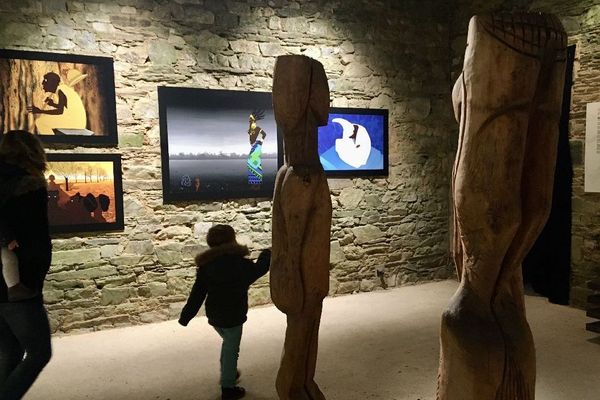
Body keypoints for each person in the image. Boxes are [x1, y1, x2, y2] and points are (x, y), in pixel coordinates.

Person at [179, 224, 271, 400]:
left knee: (227, 344)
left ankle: (229, 371)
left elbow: (197, 294)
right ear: (232, 240)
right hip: (234, 316)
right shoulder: (241, 264)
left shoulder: (206, 267)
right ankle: (228, 388)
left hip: (214, 316)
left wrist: (186, 316)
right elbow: (259, 269)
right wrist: (267, 254)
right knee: (231, 349)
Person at [0, 130, 53, 399]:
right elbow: (34, 236)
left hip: (7, 282)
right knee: (39, 352)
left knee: (9, 350)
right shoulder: (27, 186)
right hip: (19, 284)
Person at [26, 70, 87, 135]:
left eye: (45, 81)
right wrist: (53, 104)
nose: (43, 83)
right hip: (78, 122)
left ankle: (51, 141)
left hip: (76, 123)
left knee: (40, 122)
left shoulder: (61, 91)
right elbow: (65, 108)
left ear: (51, 83)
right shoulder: (63, 90)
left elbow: (60, 111)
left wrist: (40, 111)